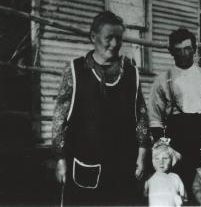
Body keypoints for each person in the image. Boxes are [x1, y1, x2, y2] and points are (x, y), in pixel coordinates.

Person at [51, 11, 150, 206]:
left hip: (123, 164)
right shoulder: (76, 70)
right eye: (108, 38)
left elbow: (141, 116)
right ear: (93, 37)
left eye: (119, 38)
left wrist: (142, 153)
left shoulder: (130, 72)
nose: (114, 44)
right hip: (86, 163)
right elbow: (59, 118)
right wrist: (60, 158)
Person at [148, 28, 201, 196]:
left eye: (187, 48)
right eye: (177, 50)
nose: (183, 54)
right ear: (171, 51)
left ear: (195, 49)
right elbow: (155, 120)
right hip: (177, 141)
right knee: (179, 190)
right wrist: (164, 149)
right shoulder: (163, 80)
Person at [144, 139, 187, 206]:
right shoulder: (150, 178)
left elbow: (184, 197)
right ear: (152, 160)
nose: (161, 162)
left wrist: (180, 199)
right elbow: (143, 196)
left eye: (165, 158)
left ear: (172, 159)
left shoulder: (175, 177)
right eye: (157, 159)